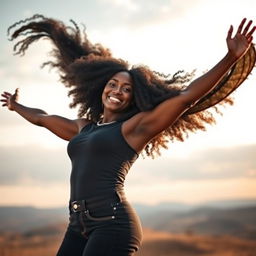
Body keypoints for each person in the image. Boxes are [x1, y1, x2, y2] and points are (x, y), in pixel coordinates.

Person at [1, 15, 255, 256]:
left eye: (126, 89)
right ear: (102, 87)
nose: (116, 91)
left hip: (113, 224)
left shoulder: (135, 128)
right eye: (112, 84)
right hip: (77, 224)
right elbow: (42, 118)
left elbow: (185, 97)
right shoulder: (83, 127)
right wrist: (15, 106)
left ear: (134, 98)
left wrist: (230, 57)